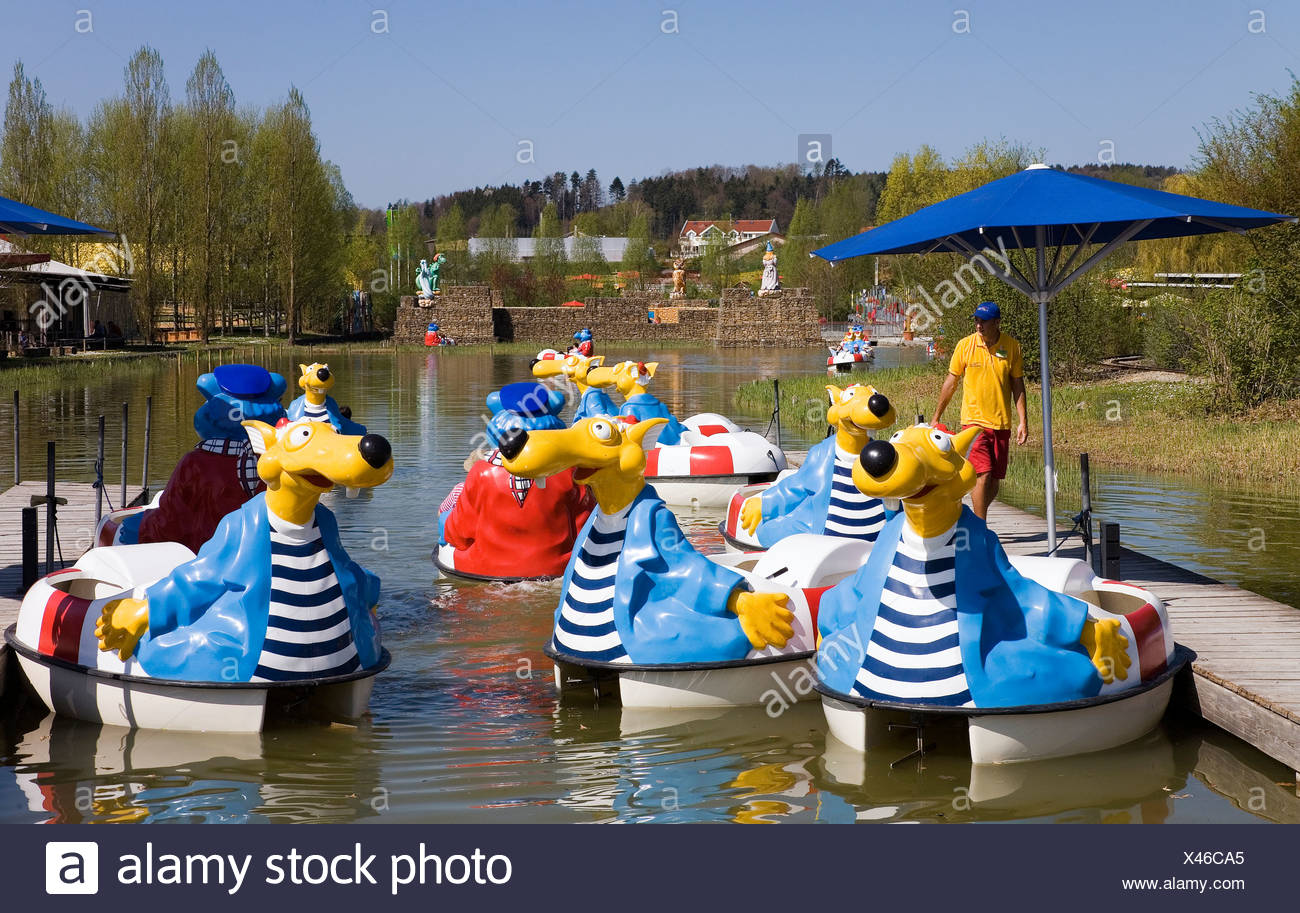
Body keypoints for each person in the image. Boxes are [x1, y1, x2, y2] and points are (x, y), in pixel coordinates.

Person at [930, 301, 1028, 519]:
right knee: (982, 474)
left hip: (1001, 422)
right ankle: (980, 529)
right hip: (974, 423)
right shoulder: (965, 346)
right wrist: (936, 417)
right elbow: (951, 382)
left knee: (994, 480)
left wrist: (1023, 421)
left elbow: (1018, 384)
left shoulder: (1012, 347)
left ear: (997, 322)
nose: (978, 325)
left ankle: (973, 518)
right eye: (976, 320)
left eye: (983, 321)